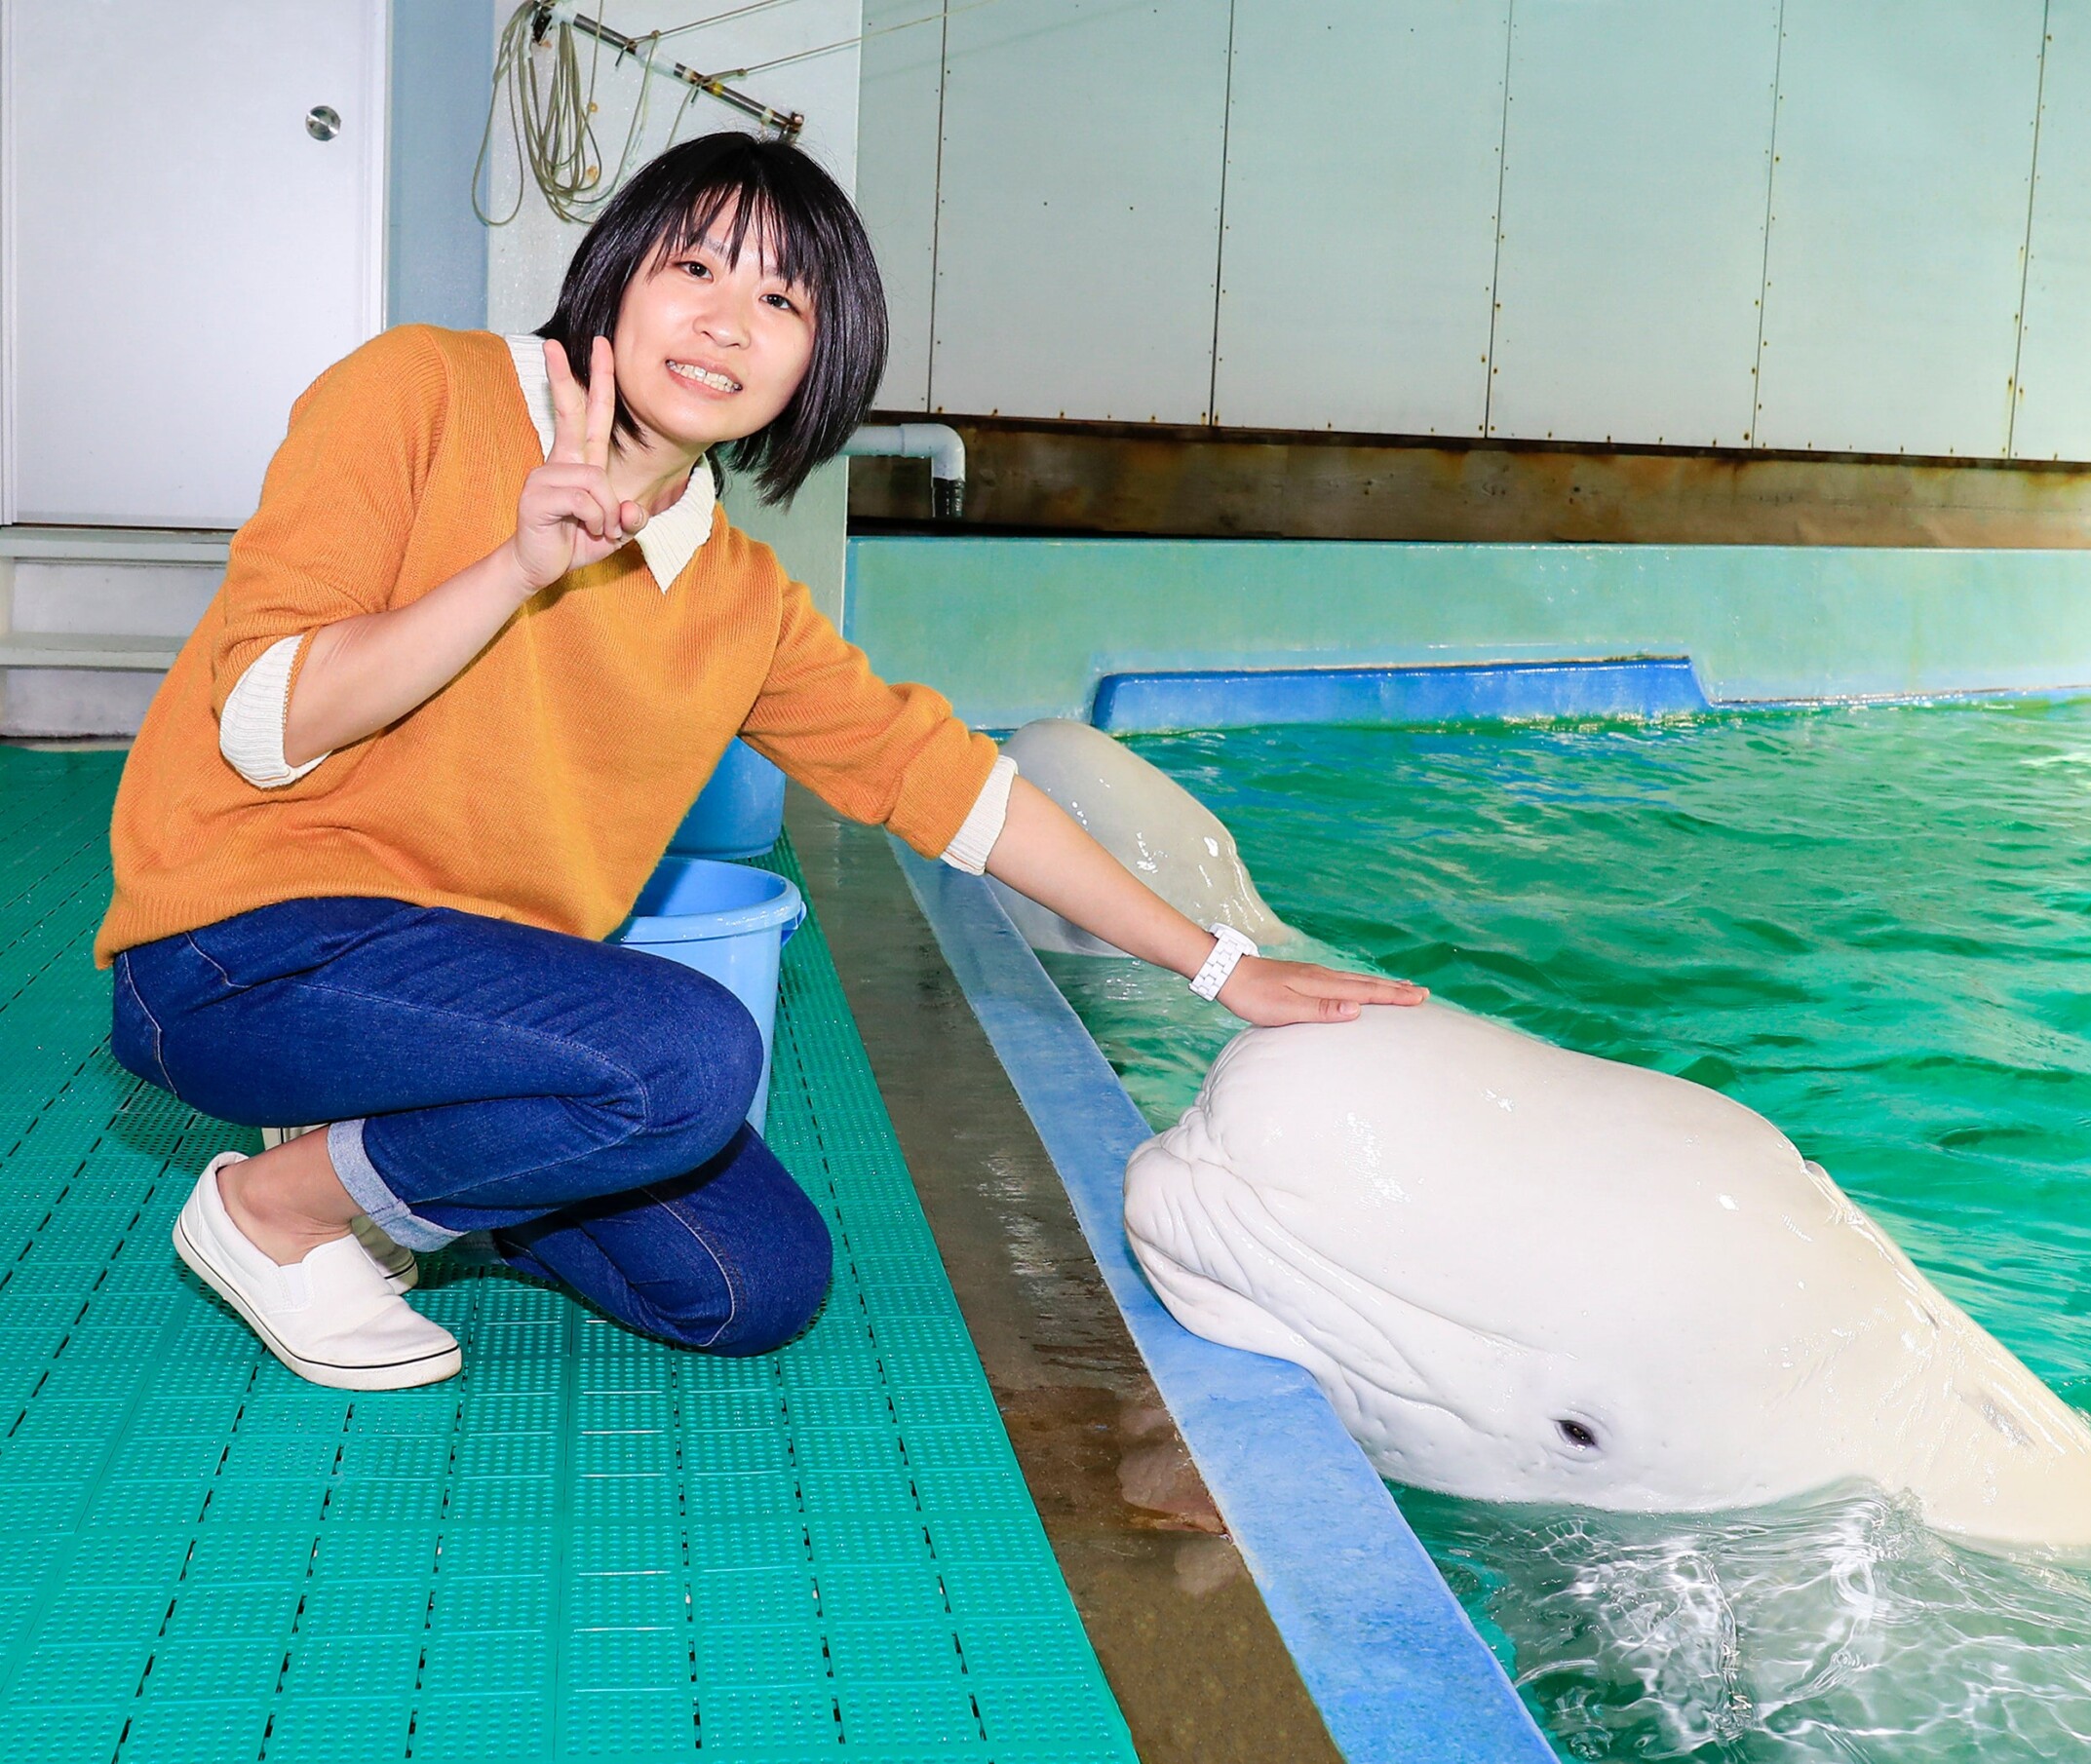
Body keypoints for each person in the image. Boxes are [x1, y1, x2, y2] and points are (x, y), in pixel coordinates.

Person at [97, 132, 1420, 1392]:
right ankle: (274, 1204)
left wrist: (1223, 964)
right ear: (615, 273)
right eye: (694, 268)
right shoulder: (421, 390)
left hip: (459, 1008)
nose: (729, 320)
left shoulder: (739, 600)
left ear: (815, 369)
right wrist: (514, 568)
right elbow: (266, 722)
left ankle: (391, 1163)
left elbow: (953, 786)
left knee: (754, 1282)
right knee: (690, 1053)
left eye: (782, 301)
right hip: (234, 952)